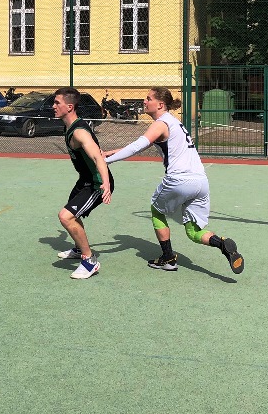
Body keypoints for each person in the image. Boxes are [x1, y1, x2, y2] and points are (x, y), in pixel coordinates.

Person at [103, 86, 244, 275]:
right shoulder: (175, 122)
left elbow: (137, 146)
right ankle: (222, 244)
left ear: (160, 104)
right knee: (193, 232)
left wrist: (106, 162)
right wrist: (111, 152)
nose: (144, 101)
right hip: (201, 182)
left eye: (148, 98)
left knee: (157, 210)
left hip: (179, 180)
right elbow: (141, 145)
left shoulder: (161, 123)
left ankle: (168, 258)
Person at [52, 87, 113, 279]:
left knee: (66, 216)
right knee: (72, 213)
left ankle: (89, 261)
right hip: (84, 180)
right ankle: (79, 248)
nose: (53, 106)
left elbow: (97, 157)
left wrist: (105, 184)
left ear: (70, 107)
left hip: (96, 184)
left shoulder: (79, 132)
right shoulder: (69, 125)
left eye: (57, 103)